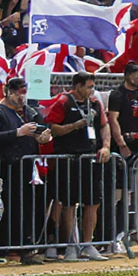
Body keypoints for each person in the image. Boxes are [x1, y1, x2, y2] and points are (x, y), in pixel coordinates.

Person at [42, 72, 113, 262]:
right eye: (89, 86)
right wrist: (75, 125)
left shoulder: (95, 103)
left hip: (90, 158)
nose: (92, 90)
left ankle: (88, 243)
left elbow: (104, 126)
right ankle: (71, 245)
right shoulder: (63, 102)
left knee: (93, 202)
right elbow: (53, 129)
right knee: (69, 203)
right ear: (78, 85)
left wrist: (106, 146)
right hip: (69, 159)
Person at [0, 77, 53, 265]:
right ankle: (0, 248)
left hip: (27, 168)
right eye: (18, 94)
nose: (22, 99)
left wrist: (43, 137)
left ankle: (25, 248)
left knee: (27, 209)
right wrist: (18, 132)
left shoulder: (29, 112)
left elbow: (42, 132)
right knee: (4, 210)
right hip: (4, 168)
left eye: (24, 94)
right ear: (9, 92)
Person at [106, 62, 138, 160]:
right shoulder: (117, 94)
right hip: (124, 138)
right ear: (127, 75)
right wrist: (121, 143)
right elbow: (113, 120)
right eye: (135, 75)